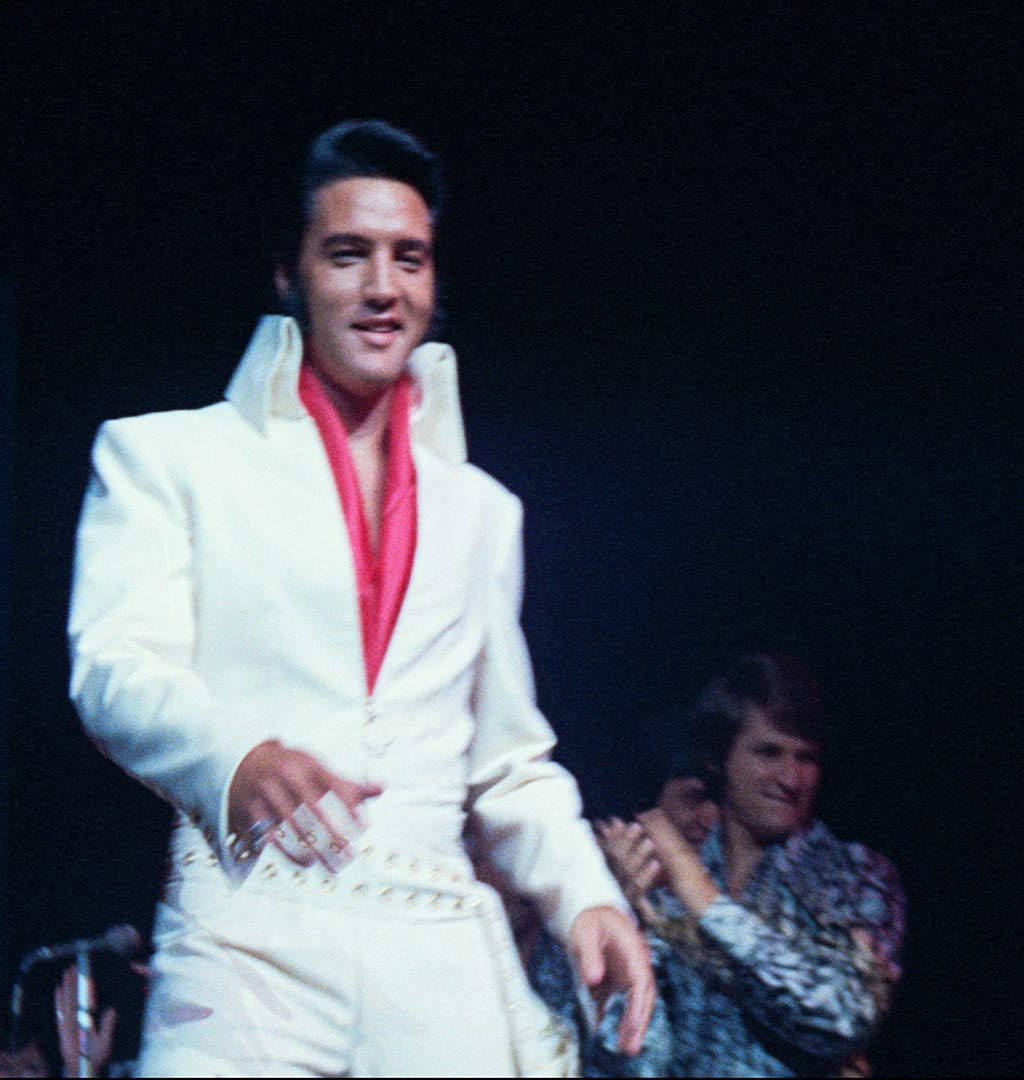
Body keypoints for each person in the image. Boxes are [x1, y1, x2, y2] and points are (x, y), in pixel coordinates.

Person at [67, 119, 653, 1076]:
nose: (384, 287)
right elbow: (115, 669)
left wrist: (586, 896)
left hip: (437, 953)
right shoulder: (170, 458)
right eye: (349, 255)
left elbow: (508, 761)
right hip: (248, 933)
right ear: (288, 272)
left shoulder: (482, 511)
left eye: (408, 258)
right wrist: (236, 755)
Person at [576, 655, 906, 1077]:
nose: (791, 778)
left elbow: (844, 1018)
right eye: (769, 753)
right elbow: (630, 1055)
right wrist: (624, 914)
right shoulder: (663, 881)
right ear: (718, 760)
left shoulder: (856, 876)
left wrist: (705, 900)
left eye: (806, 758)